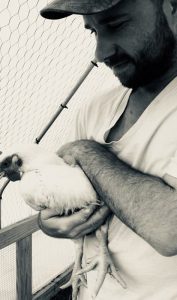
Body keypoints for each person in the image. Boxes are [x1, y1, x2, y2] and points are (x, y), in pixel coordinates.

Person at [39, 0, 177, 299]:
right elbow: (72, 201)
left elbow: (170, 230)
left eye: (116, 25)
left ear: (172, 8)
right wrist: (51, 224)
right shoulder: (93, 110)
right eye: (93, 32)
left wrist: (87, 151)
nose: (100, 54)